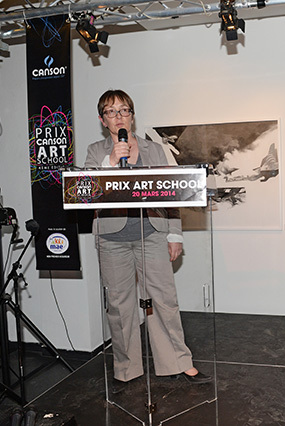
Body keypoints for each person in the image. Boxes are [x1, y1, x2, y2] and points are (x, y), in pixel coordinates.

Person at [84, 89, 211, 388]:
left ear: (132, 116)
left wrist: (174, 233)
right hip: (112, 238)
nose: (119, 117)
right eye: (112, 112)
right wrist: (111, 163)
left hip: (153, 233)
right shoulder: (95, 152)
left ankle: (178, 362)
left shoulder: (154, 149)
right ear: (103, 120)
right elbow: (88, 194)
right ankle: (127, 368)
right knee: (119, 305)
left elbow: (172, 194)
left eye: (125, 110)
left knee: (164, 301)